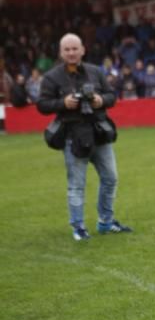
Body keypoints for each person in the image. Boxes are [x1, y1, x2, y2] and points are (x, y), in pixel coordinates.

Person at [37, 33, 132, 241]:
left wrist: (100, 99)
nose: (71, 53)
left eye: (74, 49)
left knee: (110, 179)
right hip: (73, 136)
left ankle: (106, 222)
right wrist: (63, 103)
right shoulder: (52, 77)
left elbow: (112, 97)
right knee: (76, 185)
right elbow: (42, 105)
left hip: (99, 133)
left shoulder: (96, 72)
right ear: (61, 52)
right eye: (67, 50)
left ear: (82, 50)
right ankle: (78, 226)